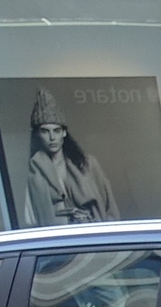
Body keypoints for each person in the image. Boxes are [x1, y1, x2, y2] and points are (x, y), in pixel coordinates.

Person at [22, 88, 118, 225]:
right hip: (59, 238)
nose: (52, 137)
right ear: (38, 135)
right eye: (45, 131)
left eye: (56, 131)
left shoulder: (87, 164)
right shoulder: (35, 173)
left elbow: (110, 207)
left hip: (93, 233)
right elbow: (31, 219)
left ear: (64, 133)